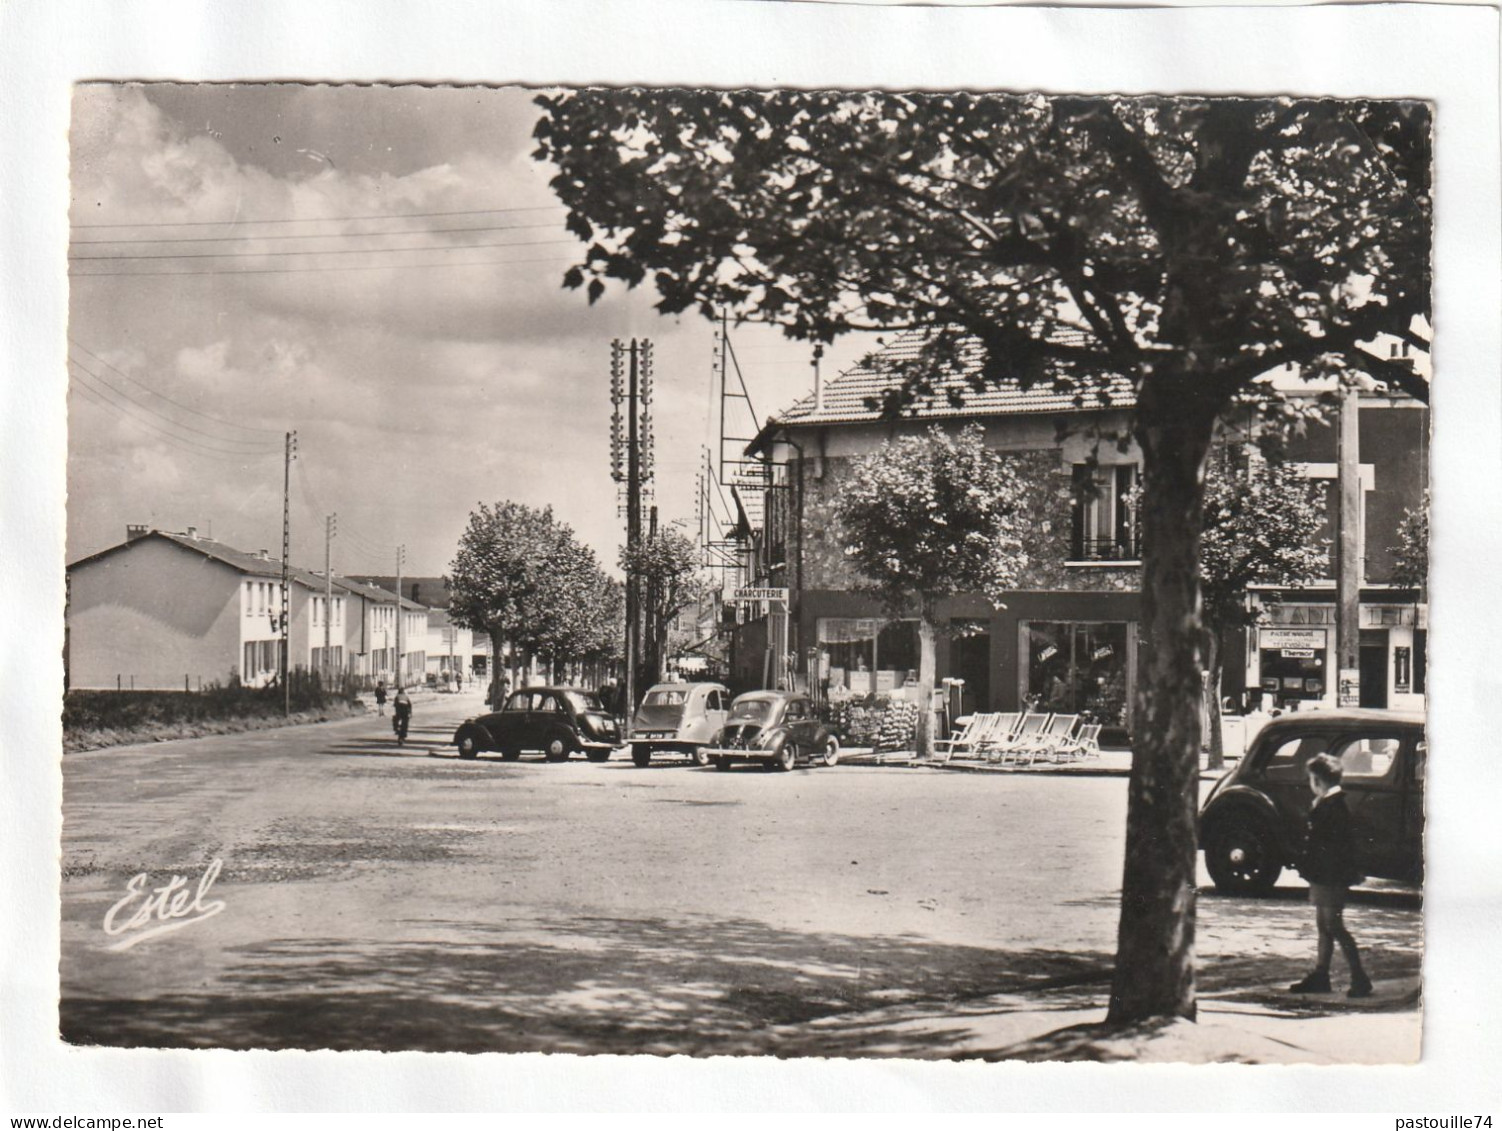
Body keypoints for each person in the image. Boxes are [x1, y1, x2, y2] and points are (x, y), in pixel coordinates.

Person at [1288, 753, 1373, 997]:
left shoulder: (1331, 807)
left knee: (1333, 925)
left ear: (1317, 780)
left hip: (1330, 876)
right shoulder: (1332, 804)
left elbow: (1331, 846)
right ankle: (1321, 974)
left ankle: (1359, 977)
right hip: (1326, 876)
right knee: (1325, 926)